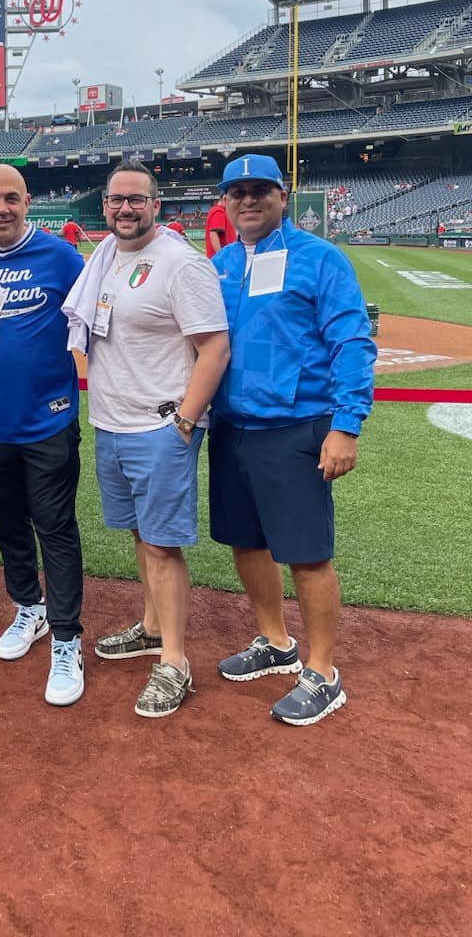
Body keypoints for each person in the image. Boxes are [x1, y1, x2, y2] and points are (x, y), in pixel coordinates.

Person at [208, 154, 376, 726]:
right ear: (225, 202)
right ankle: (275, 641)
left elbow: (352, 342)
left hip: (294, 426)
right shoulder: (222, 263)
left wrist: (346, 425)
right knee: (246, 541)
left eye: (260, 191)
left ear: (283, 196)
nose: (248, 200)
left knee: (306, 554)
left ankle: (323, 671)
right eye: (237, 192)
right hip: (232, 427)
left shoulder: (320, 259)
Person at [64, 160, 229, 718]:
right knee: (141, 534)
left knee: (162, 545)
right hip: (112, 423)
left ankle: (175, 662)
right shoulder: (106, 258)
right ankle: (154, 629)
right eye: (116, 200)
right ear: (105, 206)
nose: (125, 208)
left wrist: (184, 422)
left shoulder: (181, 264)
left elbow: (215, 349)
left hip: (161, 426)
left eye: (137, 199)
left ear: (156, 205)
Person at [0, 165, 86, 707]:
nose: (1, 208)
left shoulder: (61, 257)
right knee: (8, 525)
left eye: (11, 198)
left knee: (55, 527)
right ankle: (28, 608)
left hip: (49, 419)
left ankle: (67, 637)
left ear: (28, 200)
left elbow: (101, 319)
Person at [205, 194, 237, 258]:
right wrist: (221, 256)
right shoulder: (219, 211)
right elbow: (213, 233)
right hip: (222, 258)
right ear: (225, 198)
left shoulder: (221, 211)